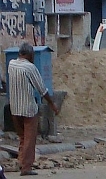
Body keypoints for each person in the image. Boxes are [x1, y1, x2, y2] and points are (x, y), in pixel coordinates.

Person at [8, 42, 60, 176]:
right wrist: (52, 104)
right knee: (30, 140)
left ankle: (20, 161)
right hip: (28, 108)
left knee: (22, 137)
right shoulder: (30, 67)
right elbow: (42, 89)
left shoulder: (11, 64)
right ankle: (26, 168)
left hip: (14, 108)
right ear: (30, 55)